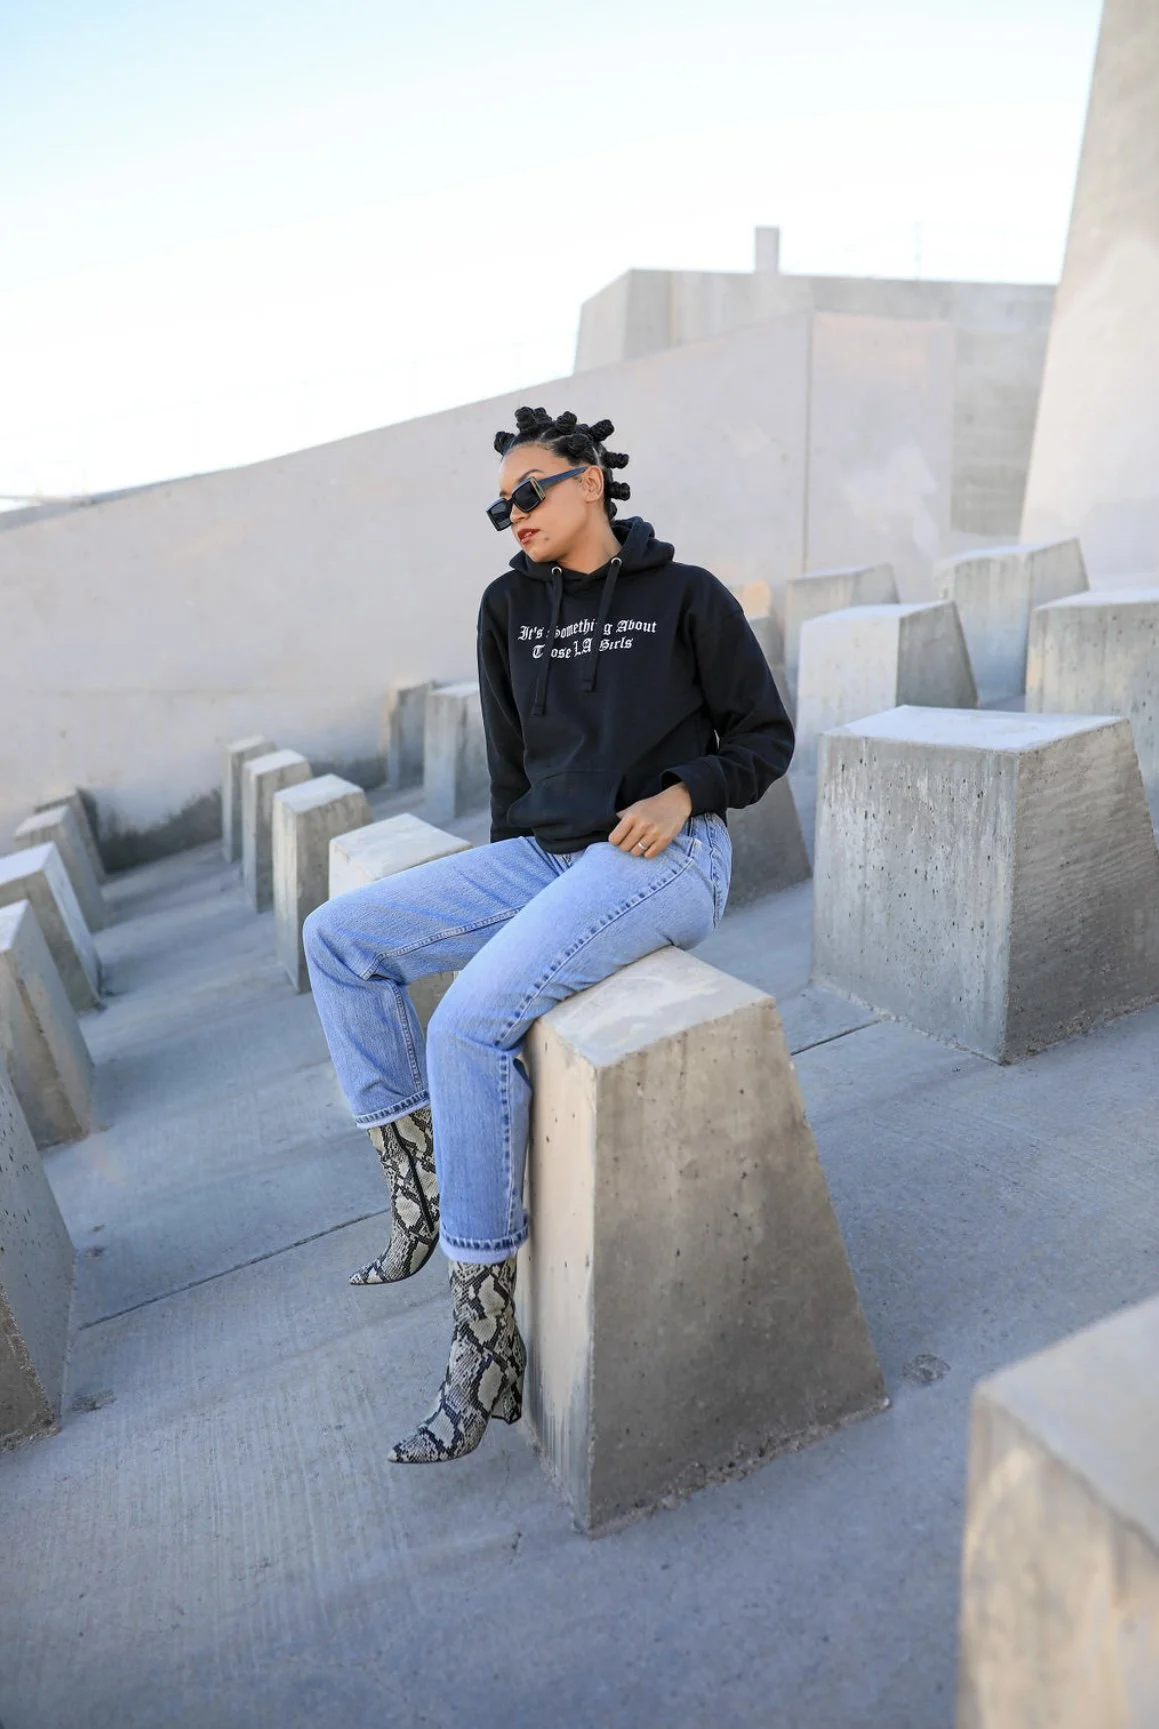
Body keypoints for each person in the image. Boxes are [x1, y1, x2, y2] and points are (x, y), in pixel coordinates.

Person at [303, 405, 794, 1464]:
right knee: (337, 938)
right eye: (499, 502)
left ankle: (484, 1342)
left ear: (591, 484)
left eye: (529, 491)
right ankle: (420, 1183)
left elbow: (765, 739)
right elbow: (511, 777)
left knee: (468, 1027)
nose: (510, 513)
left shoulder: (684, 595)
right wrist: (510, 894)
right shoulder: (504, 609)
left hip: (667, 855)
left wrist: (684, 793)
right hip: (544, 855)